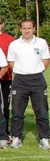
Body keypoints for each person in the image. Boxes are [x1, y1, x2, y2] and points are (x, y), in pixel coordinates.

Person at [7, 19, 50, 149]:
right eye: (24, 28)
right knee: (17, 112)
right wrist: (22, 71)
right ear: (20, 29)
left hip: (37, 80)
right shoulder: (14, 44)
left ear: (34, 29)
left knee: (42, 111)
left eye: (29, 28)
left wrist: (36, 71)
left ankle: (44, 138)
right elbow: (11, 61)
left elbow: (46, 60)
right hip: (20, 80)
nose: (27, 31)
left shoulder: (41, 43)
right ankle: (16, 138)